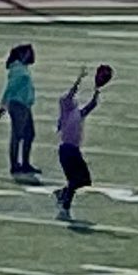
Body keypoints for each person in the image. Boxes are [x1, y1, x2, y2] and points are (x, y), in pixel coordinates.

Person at [54, 69, 102, 221]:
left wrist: (97, 90)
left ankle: (62, 194)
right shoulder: (67, 112)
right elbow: (69, 95)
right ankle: (64, 205)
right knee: (75, 180)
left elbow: (92, 105)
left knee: (84, 180)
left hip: (73, 150)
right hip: (67, 151)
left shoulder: (76, 114)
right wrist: (78, 80)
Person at [0, 43, 38, 176]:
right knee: (18, 135)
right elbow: (10, 88)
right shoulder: (19, 69)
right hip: (19, 105)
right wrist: (3, 105)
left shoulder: (20, 68)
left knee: (28, 134)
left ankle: (23, 163)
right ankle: (17, 164)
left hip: (24, 105)